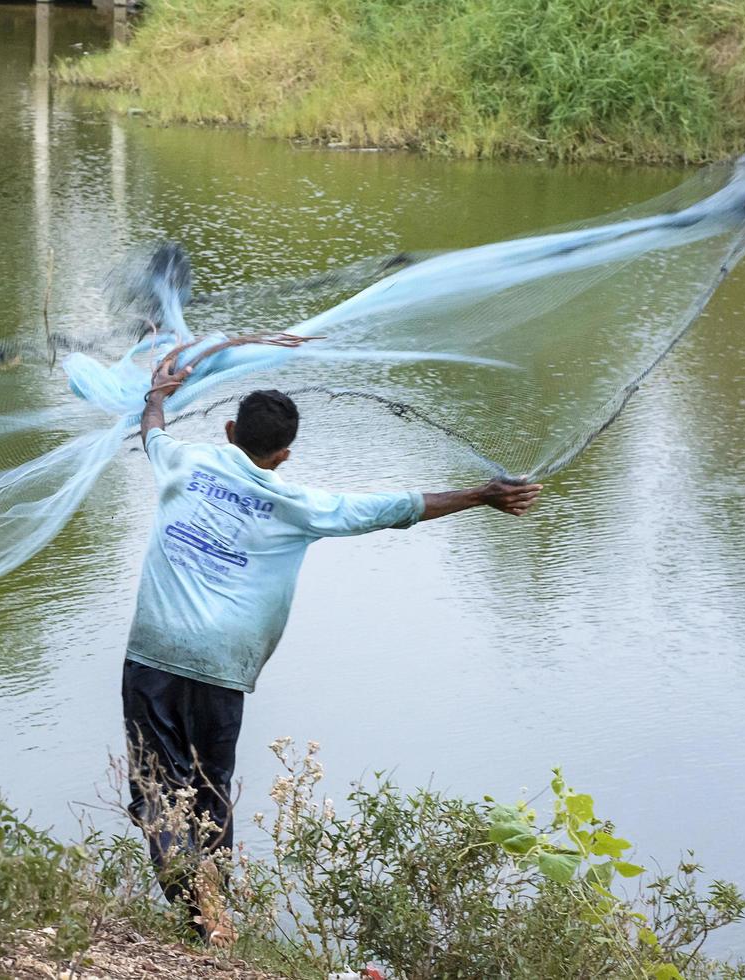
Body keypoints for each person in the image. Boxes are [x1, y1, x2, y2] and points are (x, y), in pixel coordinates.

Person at [123, 345, 542, 945]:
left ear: (230, 430)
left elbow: (152, 433)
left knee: (157, 791)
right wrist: (483, 495)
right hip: (223, 668)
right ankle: (215, 924)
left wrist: (158, 394)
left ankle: (200, 919)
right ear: (284, 455)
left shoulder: (183, 464)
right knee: (210, 789)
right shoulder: (301, 506)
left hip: (154, 655)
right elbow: (392, 508)